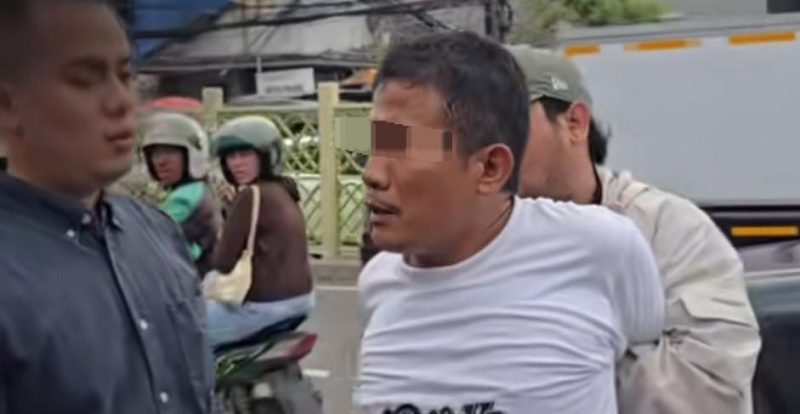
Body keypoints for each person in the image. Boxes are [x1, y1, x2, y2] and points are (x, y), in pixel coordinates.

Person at [356, 31, 665, 414]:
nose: (372, 174)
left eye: (404, 148)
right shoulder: (378, 285)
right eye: (376, 144)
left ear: (490, 168)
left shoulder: (601, 247)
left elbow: (645, 342)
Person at [507, 45, 762, 414]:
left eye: (506, 122)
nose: (488, 145)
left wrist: (556, 370)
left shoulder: (667, 228)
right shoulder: (457, 238)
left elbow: (707, 388)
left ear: (574, 122)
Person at [0, 1, 213, 413]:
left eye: (125, 75)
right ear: (8, 105)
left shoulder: (159, 234)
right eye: (85, 79)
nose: (122, 102)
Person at [206, 115, 314, 348]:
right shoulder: (285, 190)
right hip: (302, 300)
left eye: (245, 154)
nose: (237, 163)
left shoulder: (251, 195)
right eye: (231, 156)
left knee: (184, 330)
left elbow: (223, 262)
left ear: (266, 156)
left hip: (265, 306)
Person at [141, 111, 223, 277]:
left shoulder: (185, 197)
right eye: (155, 153)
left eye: (170, 152)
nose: (160, 161)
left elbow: (148, 239)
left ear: (192, 155)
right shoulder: (202, 189)